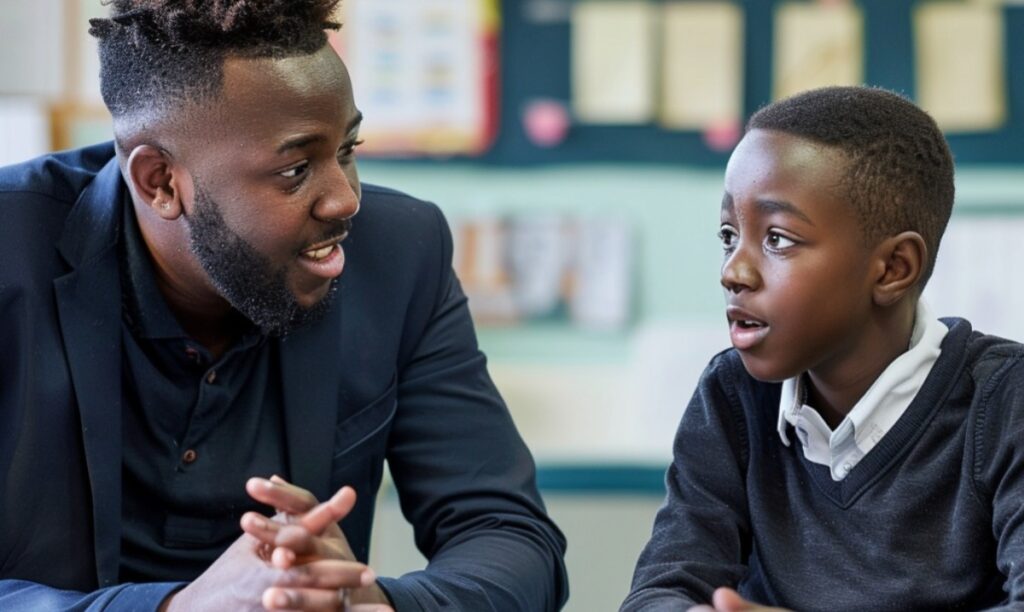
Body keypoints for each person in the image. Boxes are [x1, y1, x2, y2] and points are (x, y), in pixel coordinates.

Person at [0, 1, 568, 610]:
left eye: (348, 148)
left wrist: (370, 601)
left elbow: (512, 539)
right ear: (160, 182)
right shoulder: (13, 252)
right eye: (296, 169)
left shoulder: (400, 253)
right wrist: (176, 608)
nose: (345, 199)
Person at [621, 86, 1024, 611]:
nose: (733, 272)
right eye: (728, 235)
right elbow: (659, 591)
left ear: (893, 268)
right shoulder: (734, 397)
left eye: (778, 239)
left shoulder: (1003, 402)